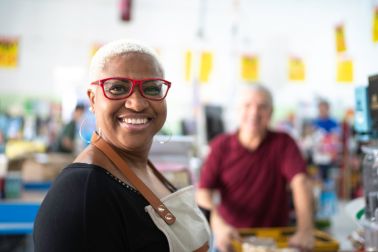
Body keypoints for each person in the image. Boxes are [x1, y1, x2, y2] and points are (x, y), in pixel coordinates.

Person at [34, 39, 210, 252]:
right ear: (92, 99)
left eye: (152, 88)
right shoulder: (82, 193)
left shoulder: (145, 168)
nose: (137, 103)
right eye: (117, 88)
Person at [196, 85, 314, 252]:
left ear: (271, 113)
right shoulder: (220, 146)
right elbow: (203, 193)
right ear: (238, 111)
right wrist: (219, 226)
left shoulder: (284, 143)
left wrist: (305, 230)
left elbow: (300, 182)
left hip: (275, 240)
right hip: (232, 239)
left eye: (262, 106)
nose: (254, 113)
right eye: (247, 105)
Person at [311, 99, 340, 181]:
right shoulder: (315, 122)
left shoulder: (333, 122)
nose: (322, 110)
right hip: (317, 157)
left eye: (324, 108)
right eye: (320, 108)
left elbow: (336, 138)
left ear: (328, 109)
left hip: (329, 157)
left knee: (329, 179)